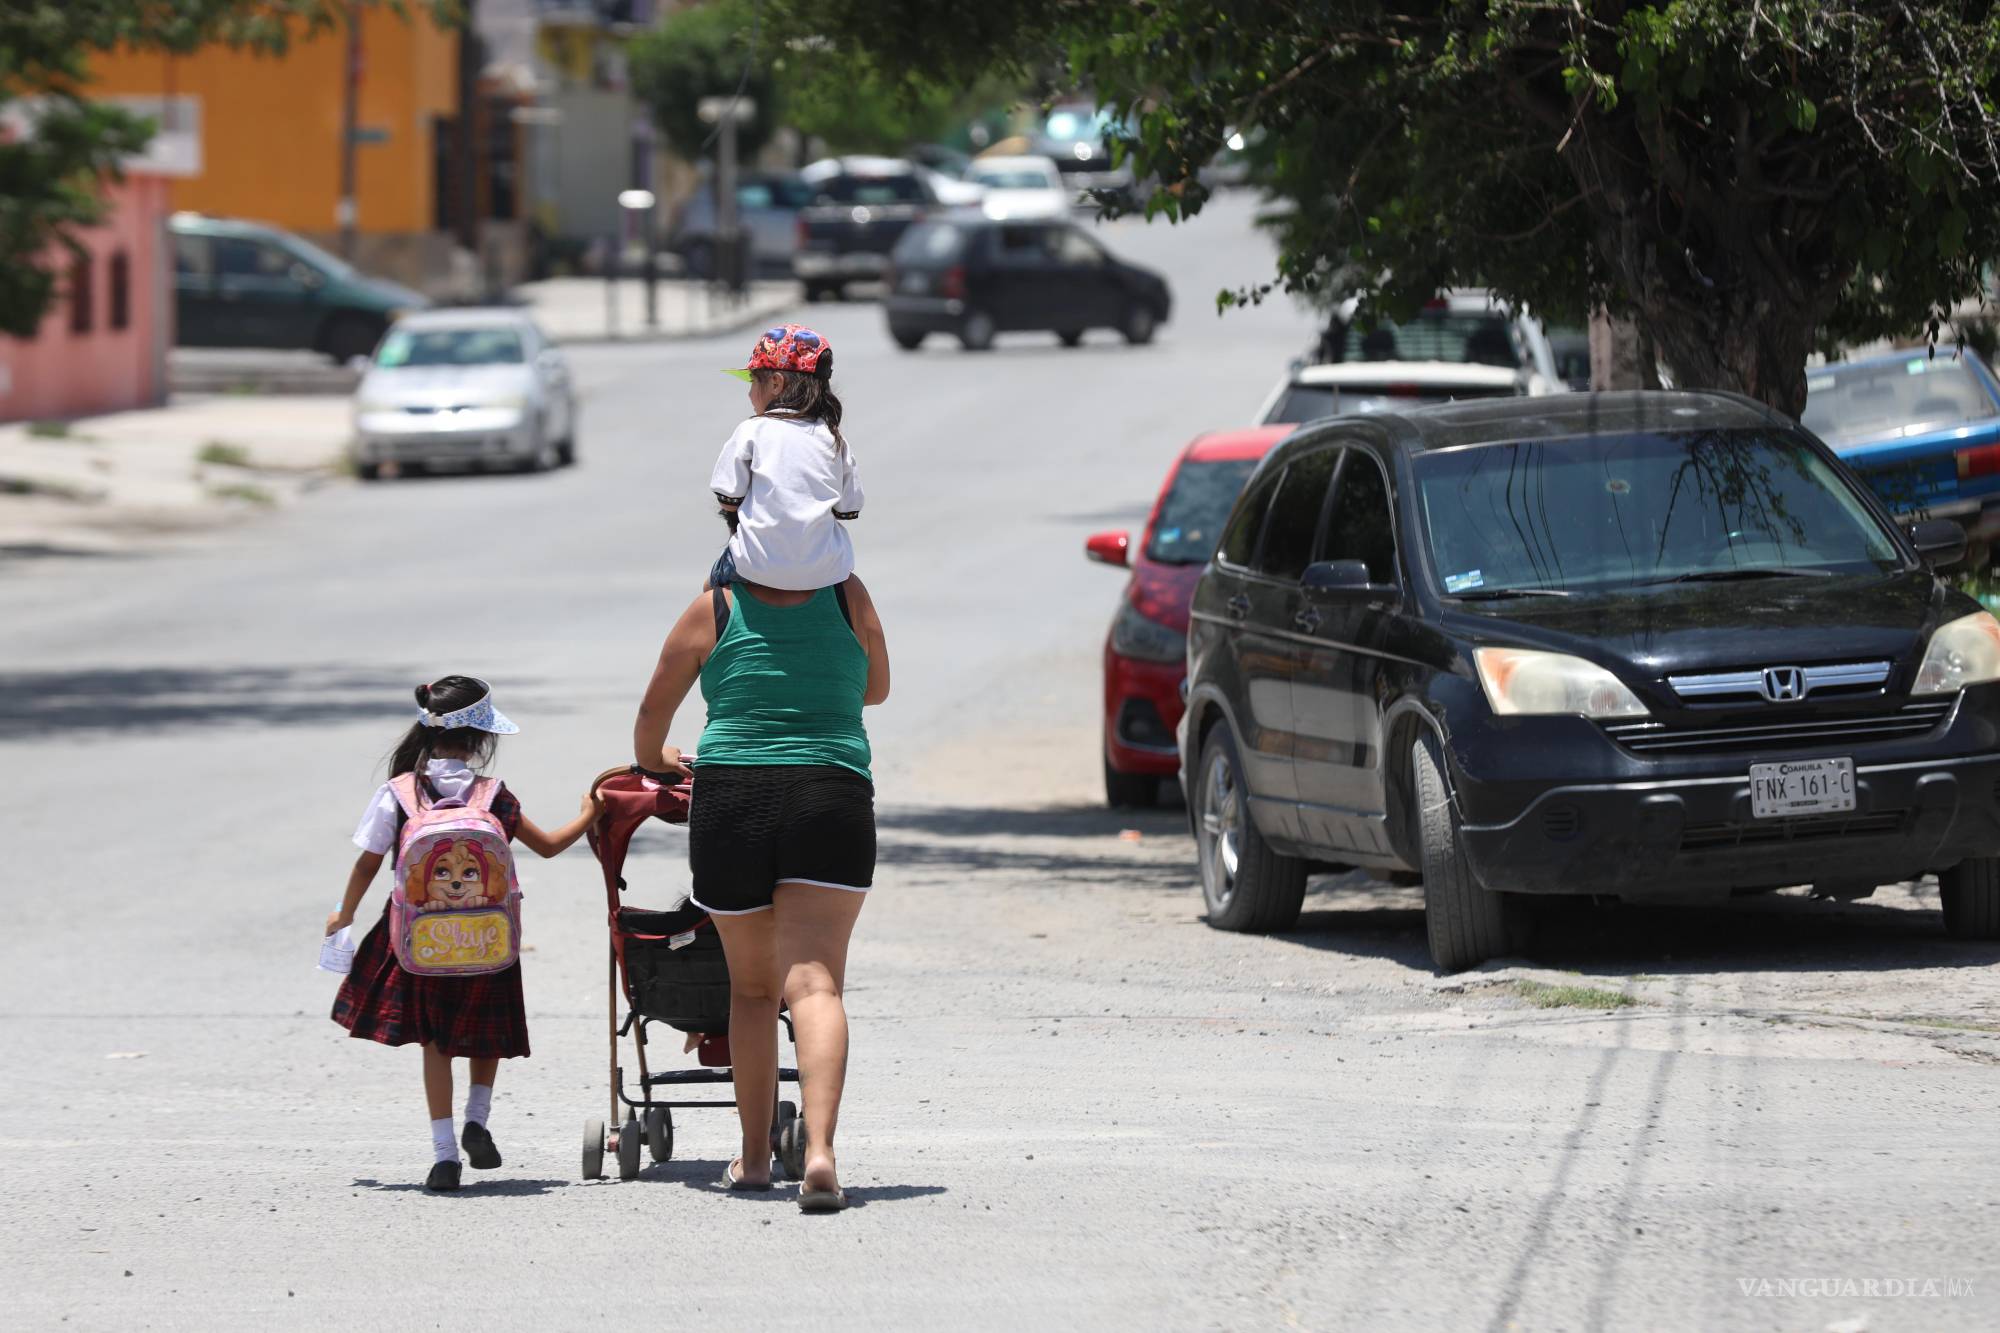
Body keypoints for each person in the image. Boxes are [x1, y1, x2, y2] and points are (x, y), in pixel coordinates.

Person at [631, 571, 890, 1211]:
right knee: (816, 984)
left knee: (751, 990)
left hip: (733, 798)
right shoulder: (847, 593)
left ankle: (752, 1160)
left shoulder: (711, 610)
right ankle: (821, 1152)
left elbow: (649, 720)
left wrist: (660, 758)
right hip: (831, 790)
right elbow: (876, 688)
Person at [326, 675, 599, 1192]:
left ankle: (444, 1154)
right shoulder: (493, 795)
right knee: (483, 1027)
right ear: (481, 740)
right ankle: (478, 1118)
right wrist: (590, 813)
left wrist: (343, 914)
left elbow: (367, 862)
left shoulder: (400, 792)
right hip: (486, 934)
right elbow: (549, 847)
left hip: (417, 937)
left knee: (435, 1040)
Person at [707, 324, 864, 591]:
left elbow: (728, 500)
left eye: (753, 381)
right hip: (826, 570)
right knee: (855, 600)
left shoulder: (751, 431)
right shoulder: (834, 439)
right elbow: (848, 509)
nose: (749, 393)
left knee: (709, 593)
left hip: (753, 566)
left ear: (776, 383)